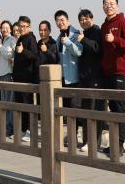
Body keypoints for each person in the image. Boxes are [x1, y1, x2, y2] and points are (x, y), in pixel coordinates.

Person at [100, 0, 125, 157]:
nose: (109, 6)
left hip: (121, 72)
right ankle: (114, 143)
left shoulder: (123, 22)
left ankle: (119, 145)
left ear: (117, 6)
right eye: (106, 4)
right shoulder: (104, 26)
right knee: (113, 109)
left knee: (120, 108)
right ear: (103, 7)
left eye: (112, 3)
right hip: (108, 72)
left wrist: (115, 39)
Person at [54, 10, 83, 148]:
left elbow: (78, 52)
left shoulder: (76, 34)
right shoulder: (59, 37)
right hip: (63, 79)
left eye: (62, 20)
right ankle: (70, 136)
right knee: (65, 108)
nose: (60, 22)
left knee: (74, 109)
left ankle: (75, 136)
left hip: (74, 78)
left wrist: (67, 42)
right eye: (58, 21)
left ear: (68, 20)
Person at [77, 9, 104, 152]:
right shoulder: (83, 33)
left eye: (86, 18)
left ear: (92, 18)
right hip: (84, 78)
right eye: (81, 20)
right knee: (85, 111)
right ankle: (86, 141)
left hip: (95, 77)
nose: (84, 21)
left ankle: (94, 142)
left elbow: (98, 49)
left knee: (94, 111)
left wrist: (83, 40)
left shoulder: (97, 31)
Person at [12, 16, 38, 142]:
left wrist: (23, 51)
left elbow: (34, 56)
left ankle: (29, 130)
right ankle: (22, 129)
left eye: (24, 26)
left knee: (27, 105)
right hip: (18, 77)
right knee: (20, 104)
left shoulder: (31, 38)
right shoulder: (21, 38)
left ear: (29, 27)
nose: (21, 29)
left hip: (27, 78)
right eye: (20, 26)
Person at [0, 20, 16, 137]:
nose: (4, 29)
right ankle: (6, 126)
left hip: (8, 73)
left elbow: (10, 55)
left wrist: (0, 46)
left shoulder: (12, 40)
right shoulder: (2, 40)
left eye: (7, 27)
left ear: (10, 29)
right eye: (3, 28)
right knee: (4, 102)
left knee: (9, 103)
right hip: (1, 74)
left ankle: (10, 127)